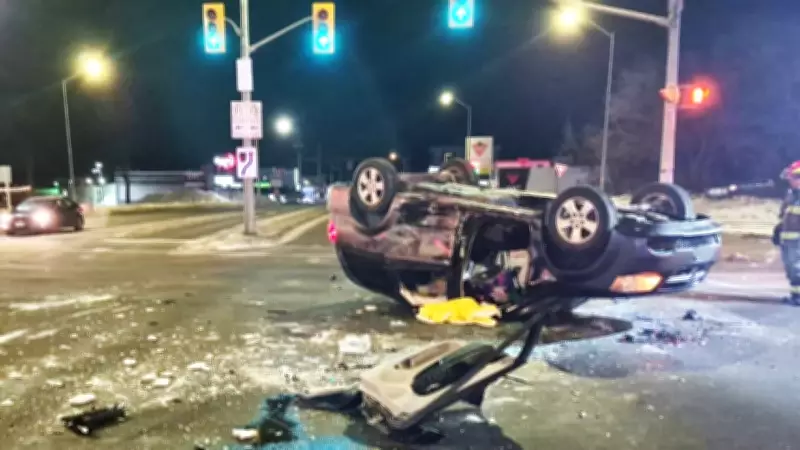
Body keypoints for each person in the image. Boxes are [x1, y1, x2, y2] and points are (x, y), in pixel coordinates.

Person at [777, 161, 800, 306]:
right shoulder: (792, 194)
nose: (789, 181)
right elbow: (785, 214)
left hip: (797, 240)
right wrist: (779, 228)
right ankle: (795, 295)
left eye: (792, 178)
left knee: (797, 268)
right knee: (791, 268)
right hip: (789, 240)